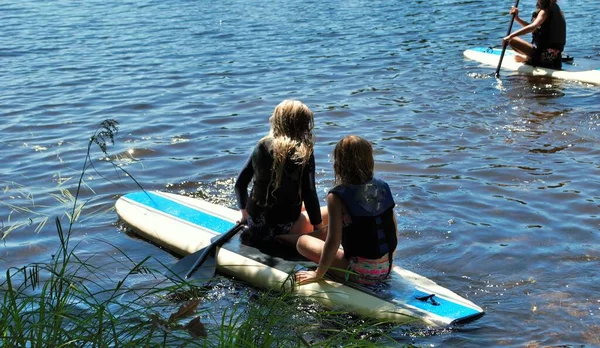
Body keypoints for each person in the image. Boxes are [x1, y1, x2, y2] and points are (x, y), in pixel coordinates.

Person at [295, 135, 398, 285]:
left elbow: (333, 242)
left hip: (360, 273)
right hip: (388, 266)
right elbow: (393, 229)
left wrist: (318, 274)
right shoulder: (383, 187)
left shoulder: (336, 196)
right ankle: (376, 267)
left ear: (340, 164)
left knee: (302, 242)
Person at [234, 100, 324, 249]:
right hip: (283, 229)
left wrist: (244, 215)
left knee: (298, 209)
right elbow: (310, 194)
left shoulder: (262, 145)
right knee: (327, 215)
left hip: (255, 224)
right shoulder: (303, 152)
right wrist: (318, 228)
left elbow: (240, 185)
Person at [502, 0, 566, 70]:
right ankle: (530, 58)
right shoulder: (556, 9)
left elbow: (533, 27)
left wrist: (510, 36)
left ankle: (529, 59)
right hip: (556, 58)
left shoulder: (545, 11)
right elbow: (534, 28)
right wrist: (517, 19)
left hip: (543, 57)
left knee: (512, 40)